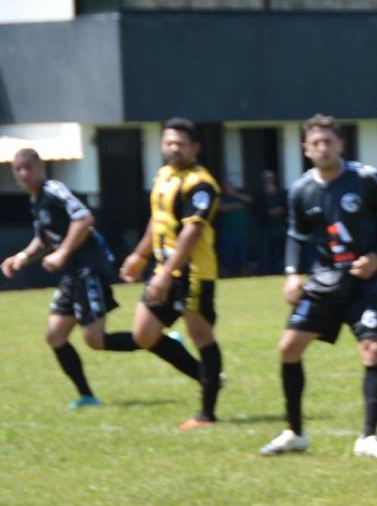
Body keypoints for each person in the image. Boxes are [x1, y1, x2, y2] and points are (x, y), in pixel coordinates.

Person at [2, 148, 196, 407]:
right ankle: (87, 396)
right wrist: (23, 257)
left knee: (95, 339)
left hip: (89, 269)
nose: (24, 174)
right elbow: (44, 238)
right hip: (73, 274)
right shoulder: (36, 200)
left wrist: (62, 253)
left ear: (41, 167)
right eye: (18, 169)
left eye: (28, 167)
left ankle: (163, 341)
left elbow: (83, 219)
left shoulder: (54, 190)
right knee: (55, 336)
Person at [260, 114, 377, 459]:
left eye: (329, 141)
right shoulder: (300, 189)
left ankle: (368, 437)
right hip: (324, 282)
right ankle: (295, 433)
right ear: (306, 149)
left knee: (373, 349)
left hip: (365, 283)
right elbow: (296, 234)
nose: (323, 148)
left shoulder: (366, 179)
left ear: (341, 145)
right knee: (288, 349)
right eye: (316, 143)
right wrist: (292, 273)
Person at [120, 117, 224, 430]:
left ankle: (207, 413)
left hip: (192, 273)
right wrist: (140, 254)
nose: (173, 148)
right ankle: (208, 379)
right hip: (163, 268)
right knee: (144, 334)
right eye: (168, 142)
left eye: (180, 143)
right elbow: (158, 219)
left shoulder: (201, 183)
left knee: (200, 335)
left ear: (195, 148)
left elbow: (192, 232)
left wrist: (167, 272)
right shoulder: (163, 175)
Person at [255, 170, 289, 276]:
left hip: (278, 226)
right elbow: (256, 210)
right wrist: (269, 213)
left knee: (277, 250)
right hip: (264, 226)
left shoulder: (280, 193)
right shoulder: (259, 194)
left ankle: (277, 271)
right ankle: (264, 272)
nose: (269, 182)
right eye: (266, 180)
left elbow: (286, 207)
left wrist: (280, 211)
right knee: (264, 251)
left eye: (270, 179)